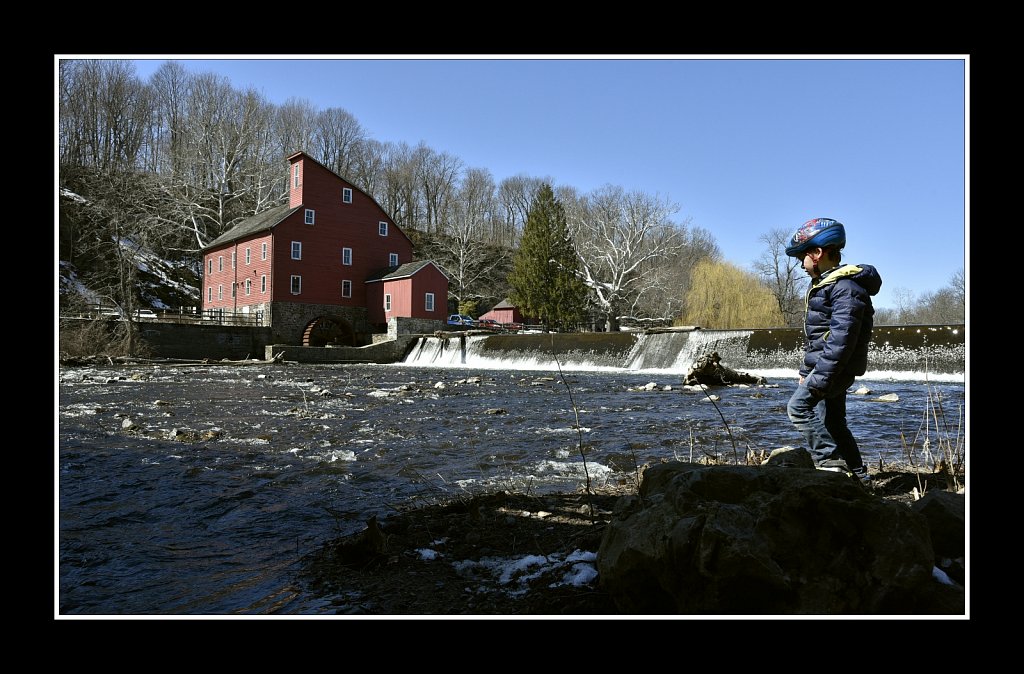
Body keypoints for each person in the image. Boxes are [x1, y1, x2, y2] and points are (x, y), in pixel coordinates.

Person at [784, 217, 882, 482]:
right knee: (834, 423)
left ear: (817, 254)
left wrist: (819, 379)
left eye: (802, 258)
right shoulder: (826, 286)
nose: (801, 265)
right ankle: (861, 478)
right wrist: (807, 370)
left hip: (835, 369)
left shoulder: (845, 288)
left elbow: (841, 341)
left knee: (798, 408)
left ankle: (831, 463)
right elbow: (817, 338)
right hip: (826, 368)